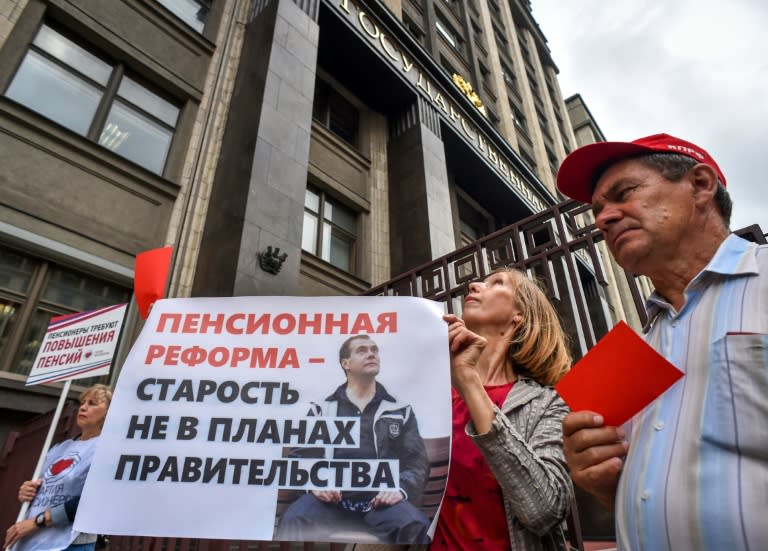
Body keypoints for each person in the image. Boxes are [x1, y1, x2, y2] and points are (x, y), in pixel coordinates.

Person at [556, 133, 768, 550]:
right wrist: (602, 479)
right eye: (598, 210)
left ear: (701, 185)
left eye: (624, 193)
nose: (603, 219)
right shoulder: (634, 353)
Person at [430, 268, 574, 550]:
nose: (473, 284)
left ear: (519, 314)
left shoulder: (547, 402)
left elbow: (544, 510)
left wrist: (469, 380)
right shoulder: (432, 399)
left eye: (496, 283)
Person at [276, 335, 431, 544]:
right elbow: (300, 457)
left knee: (416, 526)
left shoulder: (399, 410)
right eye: (362, 350)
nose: (371, 354)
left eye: (374, 350)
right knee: (294, 520)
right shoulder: (322, 409)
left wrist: (399, 489)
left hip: (381, 504)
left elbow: (416, 462)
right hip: (331, 502)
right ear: (345, 363)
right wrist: (314, 484)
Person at [4, 384, 113, 551]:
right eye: (83, 402)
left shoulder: (107, 449)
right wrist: (27, 490)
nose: (83, 407)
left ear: (108, 412)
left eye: (92, 403)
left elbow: (90, 501)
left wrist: (37, 522)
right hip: (30, 540)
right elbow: (43, 487)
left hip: (69, 543)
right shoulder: (58, 448)